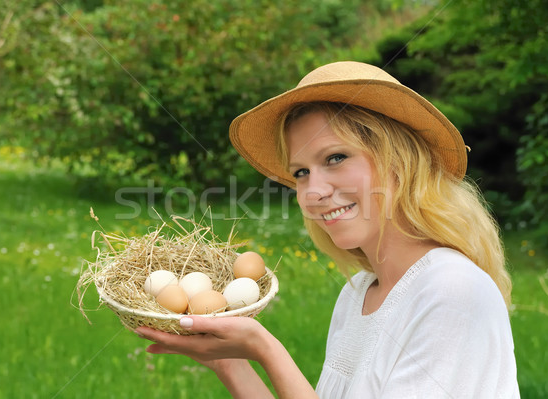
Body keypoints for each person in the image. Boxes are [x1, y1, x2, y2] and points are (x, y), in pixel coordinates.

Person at [135, 61, 520, 398]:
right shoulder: (358, 295)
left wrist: (267, 350)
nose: (313, 192)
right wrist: (232, 363)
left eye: (336, 158)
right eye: (301, 172)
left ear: (399, 164)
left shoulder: (451, 291)